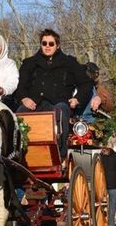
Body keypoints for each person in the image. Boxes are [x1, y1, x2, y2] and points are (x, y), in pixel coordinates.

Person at [14, 29, 93, 158]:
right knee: (19, 114)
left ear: (57, 45)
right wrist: (24, 98)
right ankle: (19, 155)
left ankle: (60, 155)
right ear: (40, 45)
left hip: (59, 102)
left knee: (60, 112)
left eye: (51, 44)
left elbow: (86, 83)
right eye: (44, 43)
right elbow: (20, 86)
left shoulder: (69, 62)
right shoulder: (29, 63)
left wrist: (77, 99)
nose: (47, 46)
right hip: (35, 104)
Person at [100, 144, 116, 226]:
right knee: (112, 204)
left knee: (101, 203)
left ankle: (101, 221)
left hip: (102, 184)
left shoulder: (100, 157)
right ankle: (110, 223)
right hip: (113, 183)